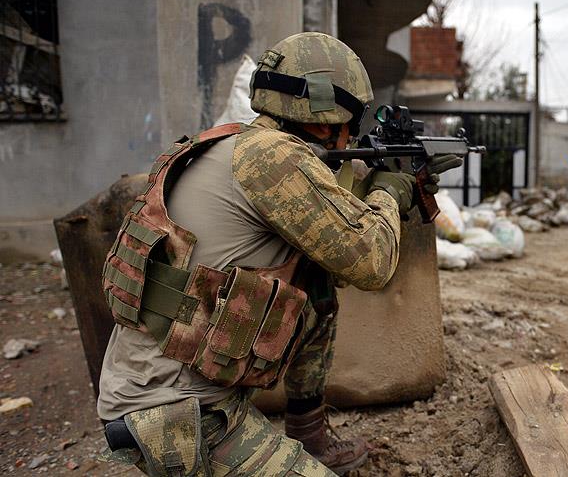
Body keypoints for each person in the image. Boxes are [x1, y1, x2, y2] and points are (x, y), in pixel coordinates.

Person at [98, 32, 461, 476]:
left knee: (318, 289)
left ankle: (309, 438)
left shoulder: (240, 145)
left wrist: (388, 188)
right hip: (176, 415)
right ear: (328, 118)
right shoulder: (273, 159)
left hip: (175, 386)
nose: (353, 135)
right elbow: (371, 262)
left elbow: (336, 254)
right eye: (354, 120)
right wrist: (390, 189)